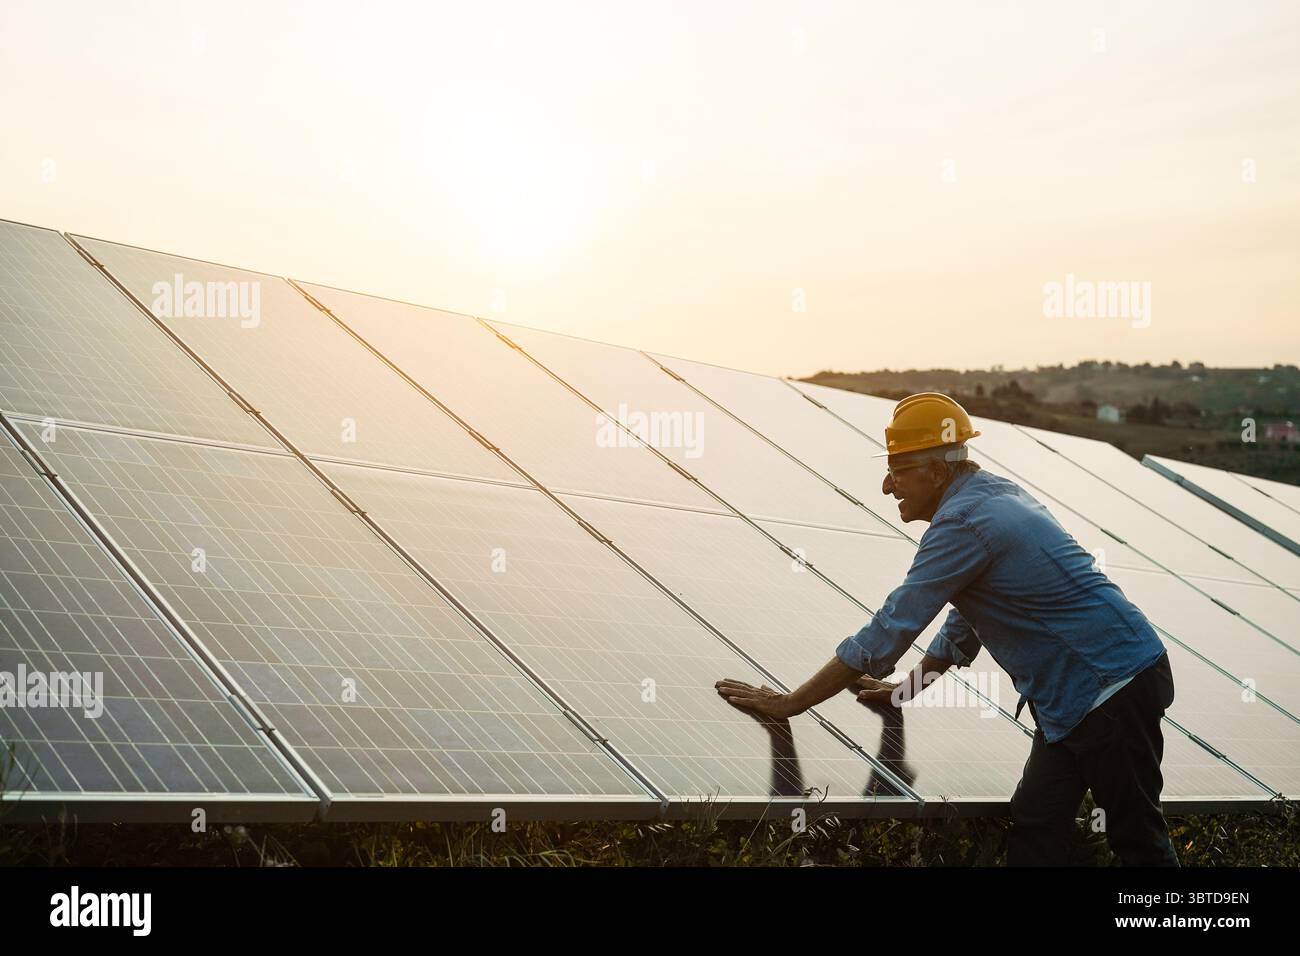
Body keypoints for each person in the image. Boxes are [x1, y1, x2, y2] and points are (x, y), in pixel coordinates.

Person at [716, 392, 1179, 866]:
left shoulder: (961, 522)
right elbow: (965, 623)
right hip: (1082, 696)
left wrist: (790, 703)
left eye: (897, 471)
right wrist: (904, 691)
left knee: (1136, 839)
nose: (886, 486)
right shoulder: (994, 495)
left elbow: (890, 629)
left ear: (936, 473)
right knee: (1037, 822)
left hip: (1108, 688)